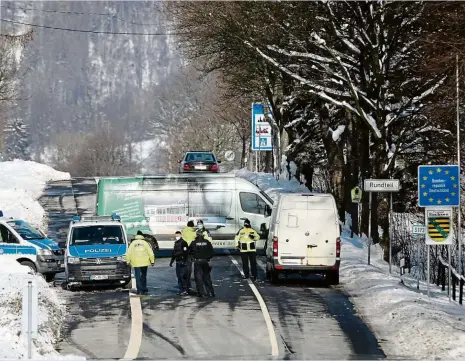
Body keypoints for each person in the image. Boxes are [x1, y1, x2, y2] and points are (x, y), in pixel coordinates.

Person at [126, 230, 155, 295]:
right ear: (142, 236)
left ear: (136, 235)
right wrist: (152, 261)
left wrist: (128, 261)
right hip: (145, 262)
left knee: (138, 277)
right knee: (144, 276)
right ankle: (144, 289)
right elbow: (150, 253)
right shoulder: (145, 243)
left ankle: (139, 290)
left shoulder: (133, 243)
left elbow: (128, 253)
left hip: (136, 263)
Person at [189, 228, 215, 298]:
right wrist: (208, 258)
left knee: (198, 278)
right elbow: (212, 252)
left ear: (196, 235)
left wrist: (193, 257)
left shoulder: (194, 243)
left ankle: (201, 293)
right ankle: (211, 292)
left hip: (197, 261)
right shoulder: (207, 242)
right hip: (206, 261)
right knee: (207, 277)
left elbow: (189, 251)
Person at [169, 231, 189, 295]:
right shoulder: (176, 243)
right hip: (178, 261)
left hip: (182, 261)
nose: (177, 236)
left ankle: (185, 290)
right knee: (179, 277)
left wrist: (184, 260)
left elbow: (186, 252)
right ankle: (181, 290)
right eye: (176, 235)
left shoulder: (184, 242)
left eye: (178, 235)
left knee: (182, 276)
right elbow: (173, 253)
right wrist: (171, 261)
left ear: (181, 235)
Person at [182, 220, 197, 292]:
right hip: (191, 251)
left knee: (187, 268)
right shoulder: (193, 233)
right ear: (192, 226)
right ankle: (190, 285)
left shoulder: (184, 231)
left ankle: (186, 284)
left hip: (185, 251)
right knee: (192, 268)